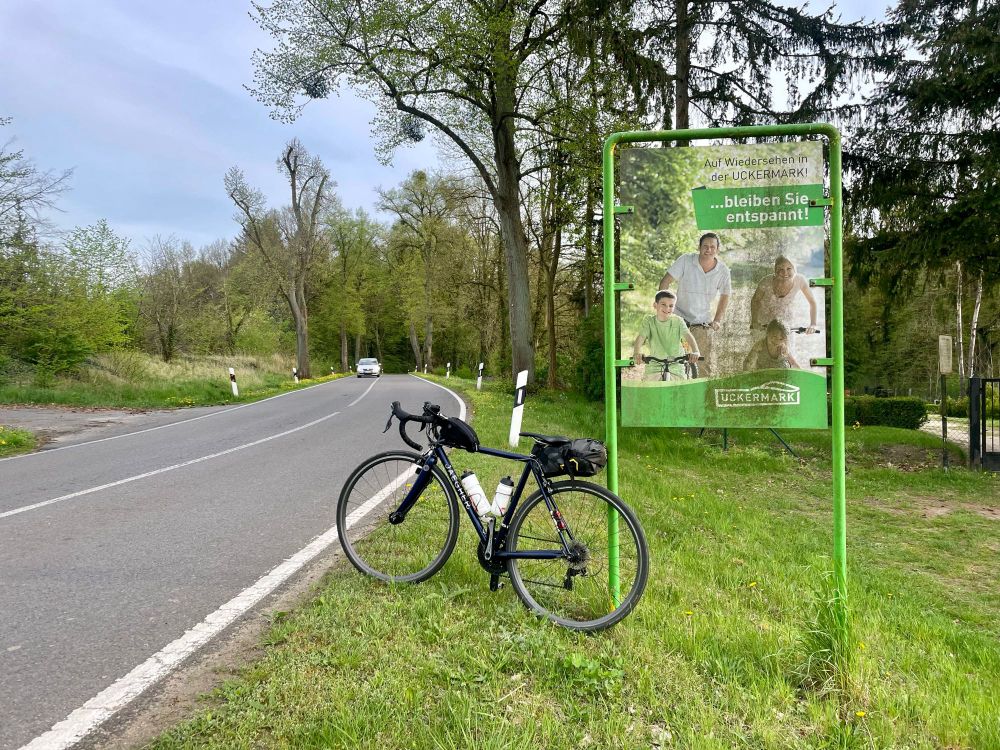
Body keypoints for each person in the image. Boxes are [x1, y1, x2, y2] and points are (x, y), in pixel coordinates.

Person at [658, 232, 731, 378]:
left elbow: (725, 296)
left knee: (704, 365)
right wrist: (665, 310)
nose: (708, 249)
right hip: (678, 317)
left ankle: (702, 398)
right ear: (699, 247)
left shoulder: (723, 270)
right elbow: (665, 282)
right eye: (705, 246)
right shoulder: (686, 260)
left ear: (717, 249)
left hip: (702, 322)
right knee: (670, 361)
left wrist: (717, 320)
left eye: (712, 247)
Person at [633, 291, 700, 381]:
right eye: (663, 304)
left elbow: (688, 336)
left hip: (676, 364)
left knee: (680, 391)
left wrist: (696, 352)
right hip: (655, 365)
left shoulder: (678, 321)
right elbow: (641, 337)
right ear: (655, 305)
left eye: (671, 306)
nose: (667, 308)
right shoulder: (649, 321)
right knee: (648, 390)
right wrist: (637, 353)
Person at [749, 255, 819, 334]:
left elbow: (812, 302)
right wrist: (754, 321)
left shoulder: (800, 280)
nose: (785, 273)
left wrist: (813, 324)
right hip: (764, 326)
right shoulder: (766, 281)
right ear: (775, 271)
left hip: (787, 326)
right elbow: (755, 300)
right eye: (780, 269)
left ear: (794, 269)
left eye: (789, 268)